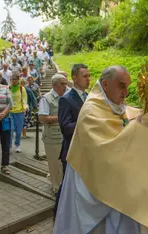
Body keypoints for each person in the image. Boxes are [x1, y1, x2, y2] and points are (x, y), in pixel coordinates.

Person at [53, 66, 148, 234]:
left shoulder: (116, 106)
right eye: (121, 86)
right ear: (105, 84)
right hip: (95, 188)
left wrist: (141, 120)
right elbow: (105, 151)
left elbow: (124, 124)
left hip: (118, 188)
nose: (126, 92)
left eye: (128, 86)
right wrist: (135, 130)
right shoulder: (91, 111)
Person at [53, 64, 90, 218]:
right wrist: (86, 122)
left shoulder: (89, 98)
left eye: (89, 76)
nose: (88, 79)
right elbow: (65, 127)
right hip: (71, 151)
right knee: (67, 187)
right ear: (75, 78)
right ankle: (57, 215)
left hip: (87, 151)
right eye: (85, 76)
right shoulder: (66, 100)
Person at [38, 74, 68, 194]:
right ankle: (57, 188)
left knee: (62, 164)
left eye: (66, 83)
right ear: (54, 85)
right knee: (55, 164)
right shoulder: (46, 98)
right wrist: (62, 118)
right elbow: (43, 118)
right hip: (52, 137)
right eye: (62, 84)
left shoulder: (66, 95)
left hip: (64, 135)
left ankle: (61, 185)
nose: (65, 86)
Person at [9, 72, 28, 153]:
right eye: (13, 79)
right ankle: (9, 145)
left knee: (19, 130)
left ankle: (17, 145)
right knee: (10, 129)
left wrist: (25, 107)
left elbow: (24, 99)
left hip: (19, 112)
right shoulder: (8, 88)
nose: (14, 81)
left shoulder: (21, 88)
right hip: (10, 112)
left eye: (16, 79)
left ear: (18, 80)